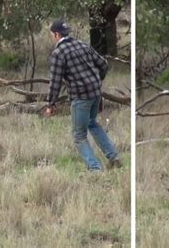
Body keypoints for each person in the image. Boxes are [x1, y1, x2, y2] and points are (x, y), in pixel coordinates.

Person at [44, 18, 122, 171]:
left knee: (79, 136)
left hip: (81, 97)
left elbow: (55, 81)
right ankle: (114, 158)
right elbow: (103, 64)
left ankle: (95, 168)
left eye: (52, 34)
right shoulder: (82, 45)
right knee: (92, 123)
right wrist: (96, 81)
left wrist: (50, 104)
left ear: (56, 35)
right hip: (96, 93)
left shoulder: (59, 53)